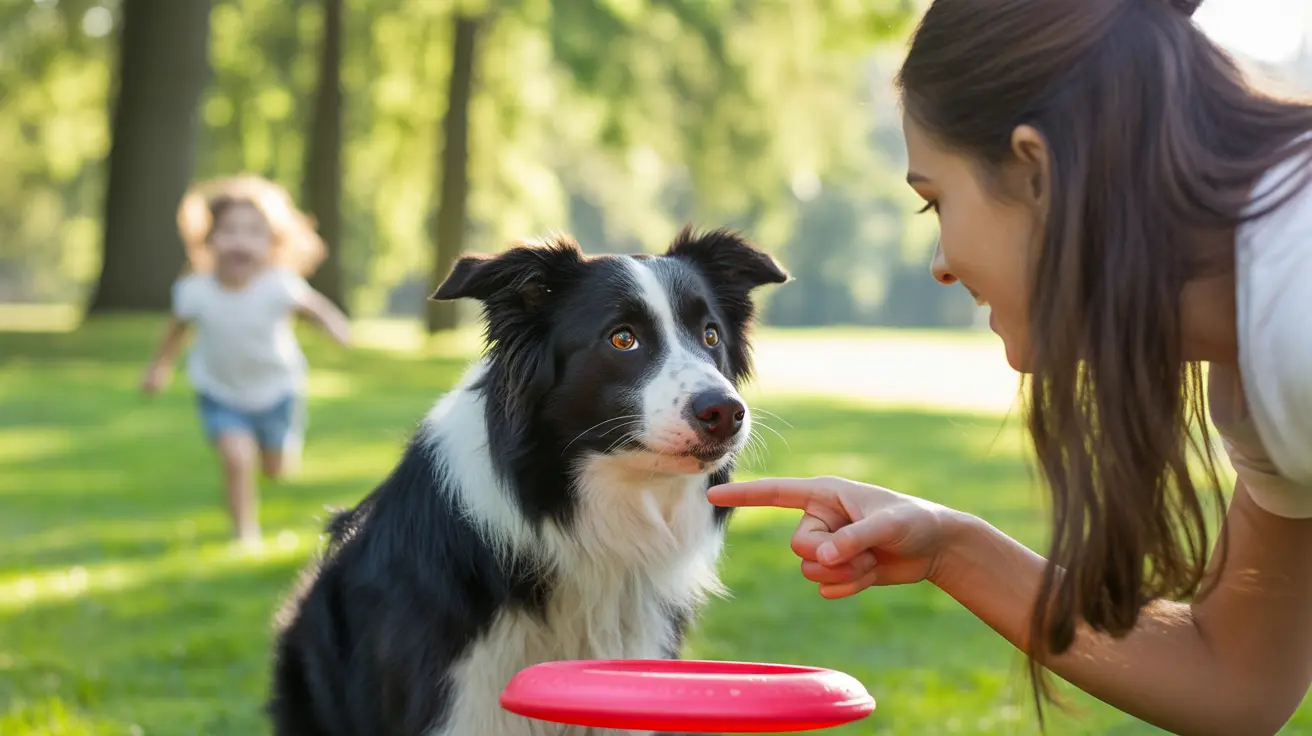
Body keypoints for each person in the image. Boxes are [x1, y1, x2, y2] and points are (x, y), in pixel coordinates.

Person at [708, 0, 1312, 733]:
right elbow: (1234, 680)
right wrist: (950, 547)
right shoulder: (1261, 366)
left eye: (935, 202)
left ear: (1037, 170)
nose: (939, 265)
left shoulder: (1295, 314)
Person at [141, 174, 351, 547]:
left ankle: (279, 450)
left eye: (253, 232)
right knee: (237, 458)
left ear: (272, 243)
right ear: (208, 239)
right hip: (220, 391)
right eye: (229, 230)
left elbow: (313, 308)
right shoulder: (195, 291)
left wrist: (335, 326)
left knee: (275, 469)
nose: (240, 240)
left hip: (277, 391)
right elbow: (176, 330)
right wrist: (159, 368)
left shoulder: (278, 284)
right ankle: (244, 536)